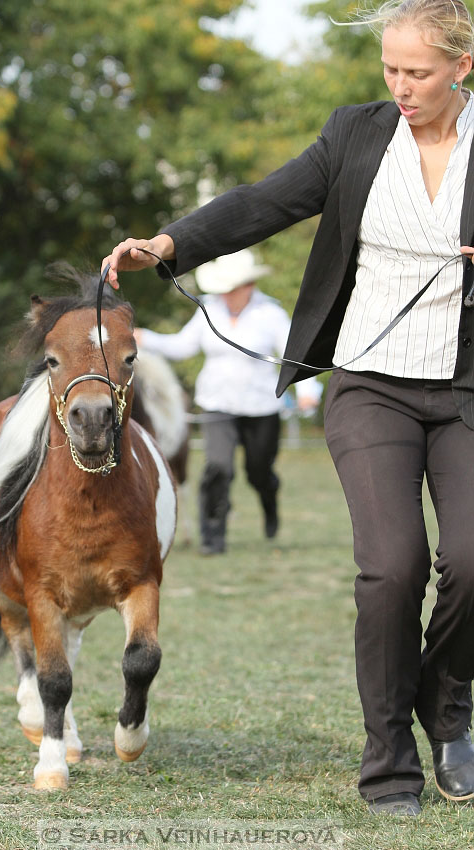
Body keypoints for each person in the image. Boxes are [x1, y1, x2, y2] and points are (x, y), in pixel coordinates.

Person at [102, 0, 474, 816]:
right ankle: (388, 763)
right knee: (392, 568)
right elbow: (263, 201)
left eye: (418, 72)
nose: (400, 86)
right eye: (390, 69)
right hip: (369, 384)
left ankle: (447, 705)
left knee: (472, 560)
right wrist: (169, 243)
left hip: (465, 389)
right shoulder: (356, 134)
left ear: (461, 67)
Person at [134, 248, 322, 555]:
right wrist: (146, 338)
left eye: (230, 288)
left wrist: (307, 391)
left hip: (262, 407)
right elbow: (183, 346)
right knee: (218, 467)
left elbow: (294, 354)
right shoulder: (209, 308)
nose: (224, 294)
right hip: (217, 404)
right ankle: (212, 536)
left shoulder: (271, 314)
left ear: (248, 286)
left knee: (259, 470)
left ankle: (269, 499)